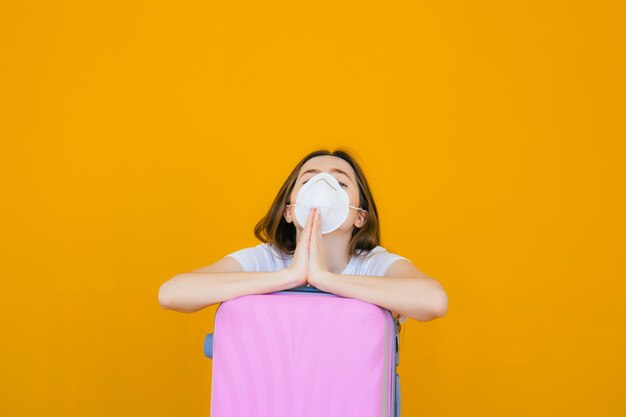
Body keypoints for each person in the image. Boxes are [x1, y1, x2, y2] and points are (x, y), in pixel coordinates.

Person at [158, 148, 448, 328]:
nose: (324, 187)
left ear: (360, 216)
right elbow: (171, 293)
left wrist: (324, 279)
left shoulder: (373, 264)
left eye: (340, 182)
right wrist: (291, 275)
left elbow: (433, 301)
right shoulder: (267, 259)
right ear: (288, 210)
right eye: (309, 180)